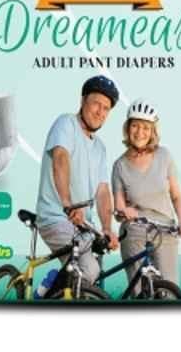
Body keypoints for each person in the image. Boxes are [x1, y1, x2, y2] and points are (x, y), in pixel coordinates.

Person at [35, 75, 120, 284]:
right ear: (83, 101)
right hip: (56, 217)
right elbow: (61, 158)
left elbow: (102, 190)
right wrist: (67, 203)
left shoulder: (100, 148)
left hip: (83, 225)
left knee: (95, 274)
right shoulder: (66, 123)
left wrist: (107, 227)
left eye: (106, 108)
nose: (100, 112)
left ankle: (58, 286)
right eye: (96, 104)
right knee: (88, 271)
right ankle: (47, 290)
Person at [112, 99, 181, 290]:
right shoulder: (120, 165)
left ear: (152, 131)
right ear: (127, 128)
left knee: (170, 288)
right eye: (135, 126)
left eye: (146, 127)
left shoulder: (164, 156)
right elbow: (118, 207)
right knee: (138, 288)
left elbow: (176, 196)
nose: (140, 132)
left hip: (165, 228)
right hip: (135, 229)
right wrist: (124, 211)